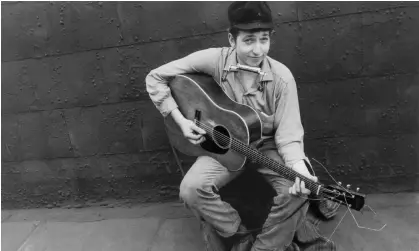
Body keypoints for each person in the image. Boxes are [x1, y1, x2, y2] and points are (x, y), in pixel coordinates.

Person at [145, 2, 339, 250]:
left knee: (297, 189)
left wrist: (298, 167)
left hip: (266, 146)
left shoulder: (282, 78)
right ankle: (241, 237)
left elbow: (289, 136)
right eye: (248, 40)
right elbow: (156, 77)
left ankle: (265, 247)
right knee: (190, 190)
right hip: (224, 147)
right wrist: (181, 121)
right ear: (232, 39)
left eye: (264, 39)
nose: (258, 50)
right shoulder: (214, 60)